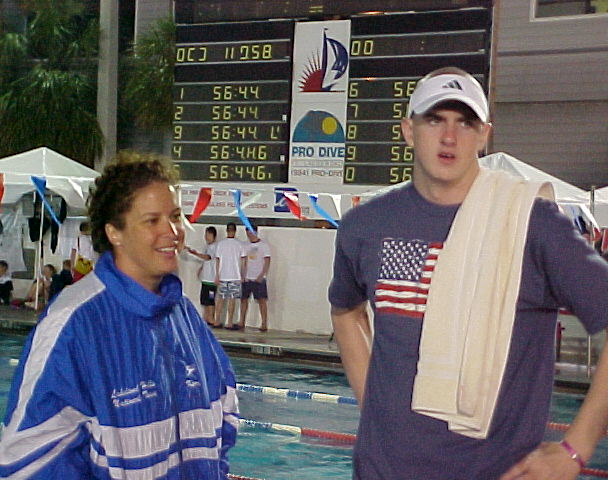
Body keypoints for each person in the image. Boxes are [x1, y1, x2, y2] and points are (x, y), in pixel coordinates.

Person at [328, 66, 608, 479]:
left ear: (483, 135)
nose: (449, 136)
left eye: (465, 122)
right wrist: (375, 406)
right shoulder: (364, 225)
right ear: (408, 130)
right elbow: (345, 311)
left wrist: (575, 448)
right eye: (434, 119)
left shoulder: (531, 223)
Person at [0, 153, 238, 479]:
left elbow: (225, 407)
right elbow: (27, 460)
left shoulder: (184, 314)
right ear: (114, 233)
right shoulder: (75, 322)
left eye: (175, 216)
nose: (172, 231)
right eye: (152, 221)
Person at [214, 222, 246, 330]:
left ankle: (217, 320)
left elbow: (217, 260)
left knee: (220, 299)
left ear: (226, 230)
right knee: (232, 300)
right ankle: (229, 322)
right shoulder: (240, 244)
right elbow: (243, 261)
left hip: (223, 275)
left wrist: (217, 275)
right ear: (235, 231)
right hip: (235, 276)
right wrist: (242, 275)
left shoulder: (221, 244)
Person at [240, 222, 271, 331]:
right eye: (247, 233)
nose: (249, 235)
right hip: (247, 277)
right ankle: (242, 321)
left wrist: (262, 275)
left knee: (261, 300)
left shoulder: (264, 245)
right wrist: (243, 275)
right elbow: (244, 261)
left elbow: (267, 261)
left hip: (259, 278)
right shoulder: (245, 245)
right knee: (244, 299)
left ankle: (264, 323)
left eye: (251, 233)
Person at [186, 226, 218, 326]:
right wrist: (201, 269)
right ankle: (205, 317)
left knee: (210, 300)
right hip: (205, 279)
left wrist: (195, 253)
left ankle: (211, 318)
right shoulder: (207, 247)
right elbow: (206, 261)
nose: (206, 237)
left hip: (211, 279)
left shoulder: (214, 247)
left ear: (213, 236)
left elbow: (208, 257)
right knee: (204, 300)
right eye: (206, 234)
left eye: (208, 235)